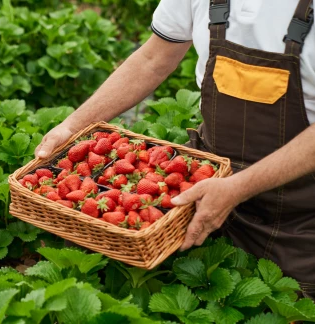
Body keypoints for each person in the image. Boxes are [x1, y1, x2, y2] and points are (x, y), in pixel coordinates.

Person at [35, 0, 315, 297]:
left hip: (301, 214)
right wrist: (73, 125)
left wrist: (238, 187)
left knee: (284, 304)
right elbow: (153, 59)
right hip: (199, 192)